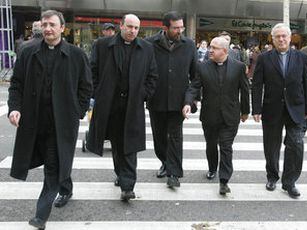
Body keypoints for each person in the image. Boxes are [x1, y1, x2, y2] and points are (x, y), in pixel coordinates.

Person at [8, 10, 93, 229]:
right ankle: (66, 188)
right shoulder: (28, 53)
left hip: (62, 124)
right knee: (54, 162)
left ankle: (41, 215)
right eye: (44, 24)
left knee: (53, 166)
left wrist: (78, 112)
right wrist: (14, 109)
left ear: (62, 28)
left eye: (52, 24)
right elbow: (16, 84)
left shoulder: (76, 55)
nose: (47, 28)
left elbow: (86, 87)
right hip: (35, 122)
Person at [86, 14, 158, 201]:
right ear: (121, 26)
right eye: (129, 26)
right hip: (109, 105)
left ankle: (128, 186)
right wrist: (98, 93)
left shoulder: (147, 48)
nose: (133, 31)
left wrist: (142, 95)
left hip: (132, 105)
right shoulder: (102, 45)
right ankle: (120, 174)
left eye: (136, 28)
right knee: (117, 144)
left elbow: (153, 77)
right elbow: (91, 72)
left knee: (130, 146)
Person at [251, 23, 307, 198]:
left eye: (284, 36)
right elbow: (257, 85)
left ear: (289, 37)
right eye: (277, 36)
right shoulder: (264, 58)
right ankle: (272, 176)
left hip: (296, 108)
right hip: (272, 108)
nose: (281, 39)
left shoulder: (301, 57)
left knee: (296, 145)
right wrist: (256, 108)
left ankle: (290, 181)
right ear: (273, 38)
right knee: (271, 146)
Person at [182, 36, 250, 195]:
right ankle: (212, 168)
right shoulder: (202, 67)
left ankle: (224, 180)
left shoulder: (239, 67)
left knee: (226, 147)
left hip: (230, 115)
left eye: (214, 48)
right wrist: (187, 102)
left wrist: (245, 111)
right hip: (209, 115)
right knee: (211, 145)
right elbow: (194, 87)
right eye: (210, 47)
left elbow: (245, 90)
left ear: (225, 51)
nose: (210, 50)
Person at [145, 11, 196, 188]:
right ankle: (165, 162)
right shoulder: (149, 44)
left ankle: (174, 173)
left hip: (179, 102)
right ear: (165, 27)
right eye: (176, 28)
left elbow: (194, 77)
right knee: (159, 138)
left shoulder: (189, 45)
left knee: (175, 136)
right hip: (156, 100)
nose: (180, 30)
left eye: (182, 27)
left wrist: (189, 101)